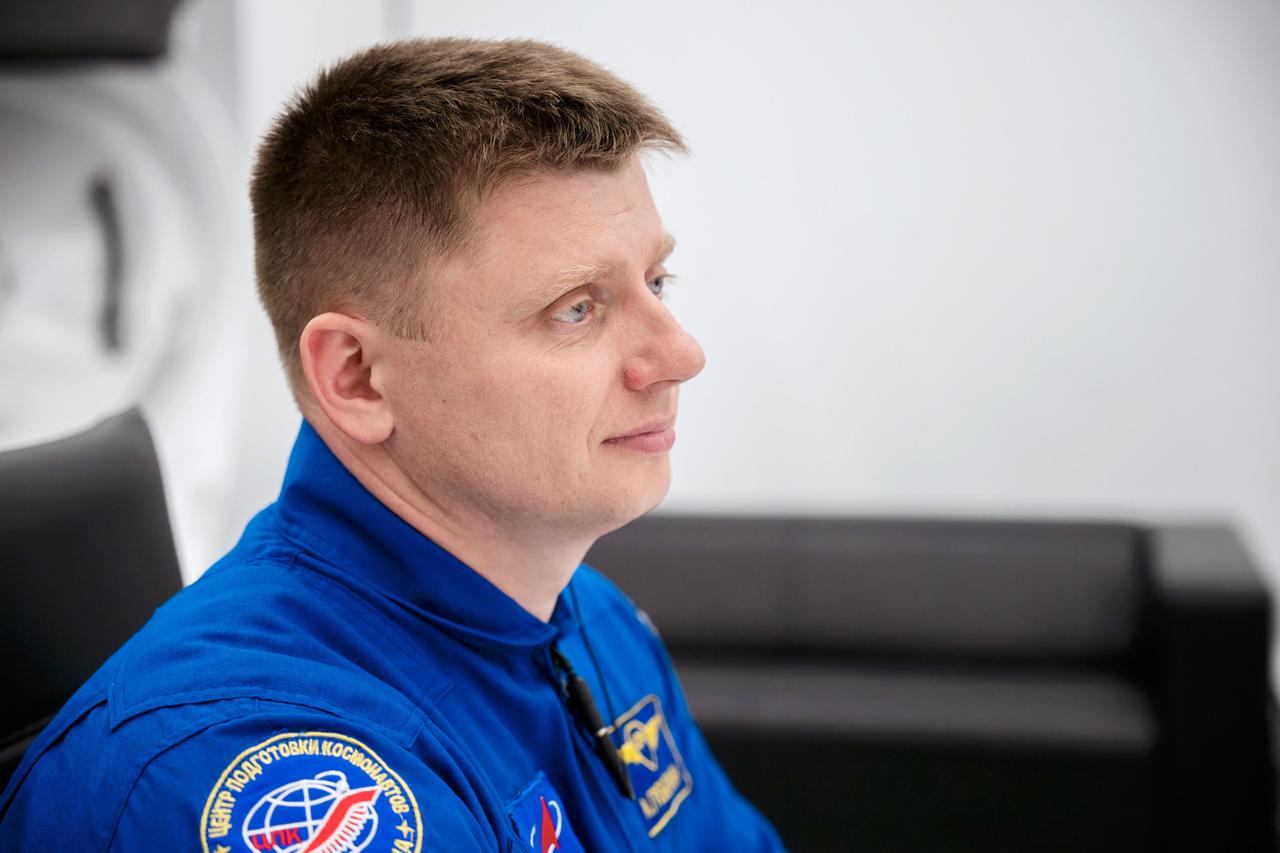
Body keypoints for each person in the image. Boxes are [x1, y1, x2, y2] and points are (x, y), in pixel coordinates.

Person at [0, 37, 785, 851]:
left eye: (656, 284)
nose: (681, 353)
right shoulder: (267, 779)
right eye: (577, 308)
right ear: (359, 378)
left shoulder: (587, 619)